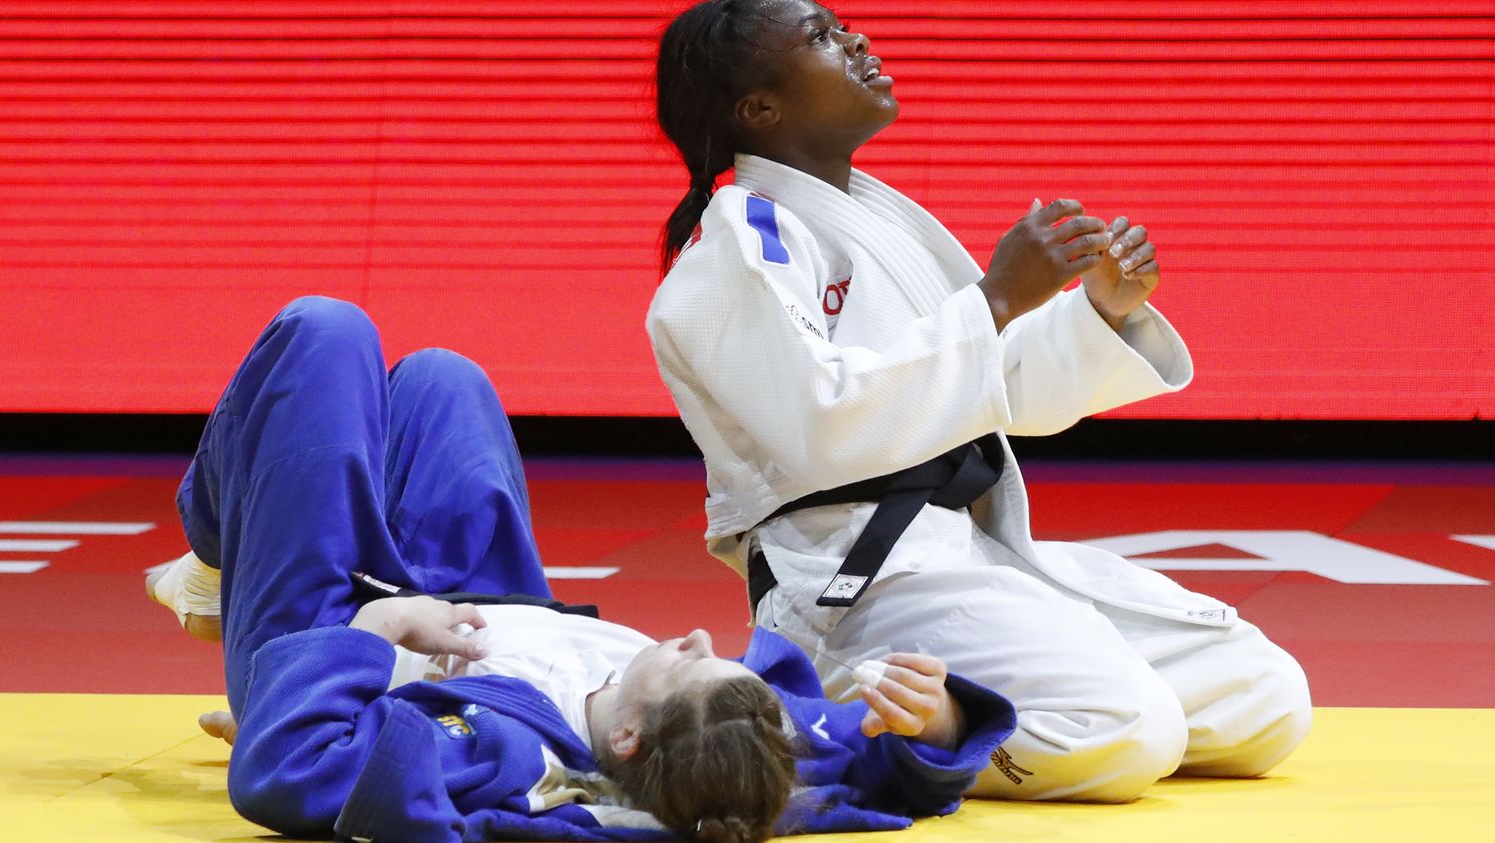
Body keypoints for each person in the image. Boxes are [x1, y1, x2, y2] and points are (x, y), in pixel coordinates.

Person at [646, 0, 1313, 803]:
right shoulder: (738, 246)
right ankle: (911, 715)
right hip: (855, 579)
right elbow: (823, 424)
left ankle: (980, 689)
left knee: (1265, 697)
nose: (855, 38)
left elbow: (986, 392)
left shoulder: (876, 214)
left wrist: (1099, 309)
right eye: (820, 36)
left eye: (841, 22)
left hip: (964, 550)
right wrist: (995, 298)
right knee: (1133, 728)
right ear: (759, 109)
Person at [146, 296, 1019, 843]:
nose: (701, 634)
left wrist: (359, 649)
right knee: (441, 381)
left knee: (326, 334)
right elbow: (874, 775)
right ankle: (255, 539)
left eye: (685, 657)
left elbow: (285, 777)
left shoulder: (510, 767)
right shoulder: (744, 744)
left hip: (333, 629)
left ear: (628, 738)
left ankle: (213, 547)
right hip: (481, 595)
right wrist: (938, 726)